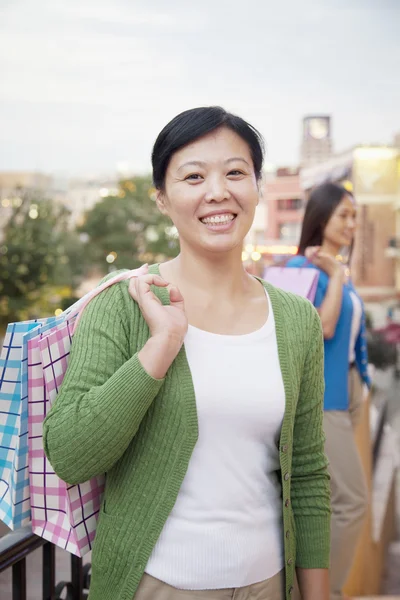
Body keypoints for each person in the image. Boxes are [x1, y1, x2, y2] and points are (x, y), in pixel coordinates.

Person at [43, 107, 330, 600]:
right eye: (193, 176)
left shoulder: (296, 319)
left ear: (257, 187)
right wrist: (160, 347)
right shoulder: (123, 305)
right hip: (156, 586)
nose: (217, 192)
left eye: (235, 173)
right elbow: (70, 454)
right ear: (162, 199)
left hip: (267, 584)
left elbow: (306, 472)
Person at [286, 182, 371, 600]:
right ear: (320, 218)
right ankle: (324, 593)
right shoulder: (300, 270)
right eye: (344, 215)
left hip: (349, 391)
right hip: (324, 398)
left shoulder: (337, 267)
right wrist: (336, 275)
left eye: (354, 216)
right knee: (352, 502)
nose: (351, 224)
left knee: (333, 499)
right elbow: (322, 328)